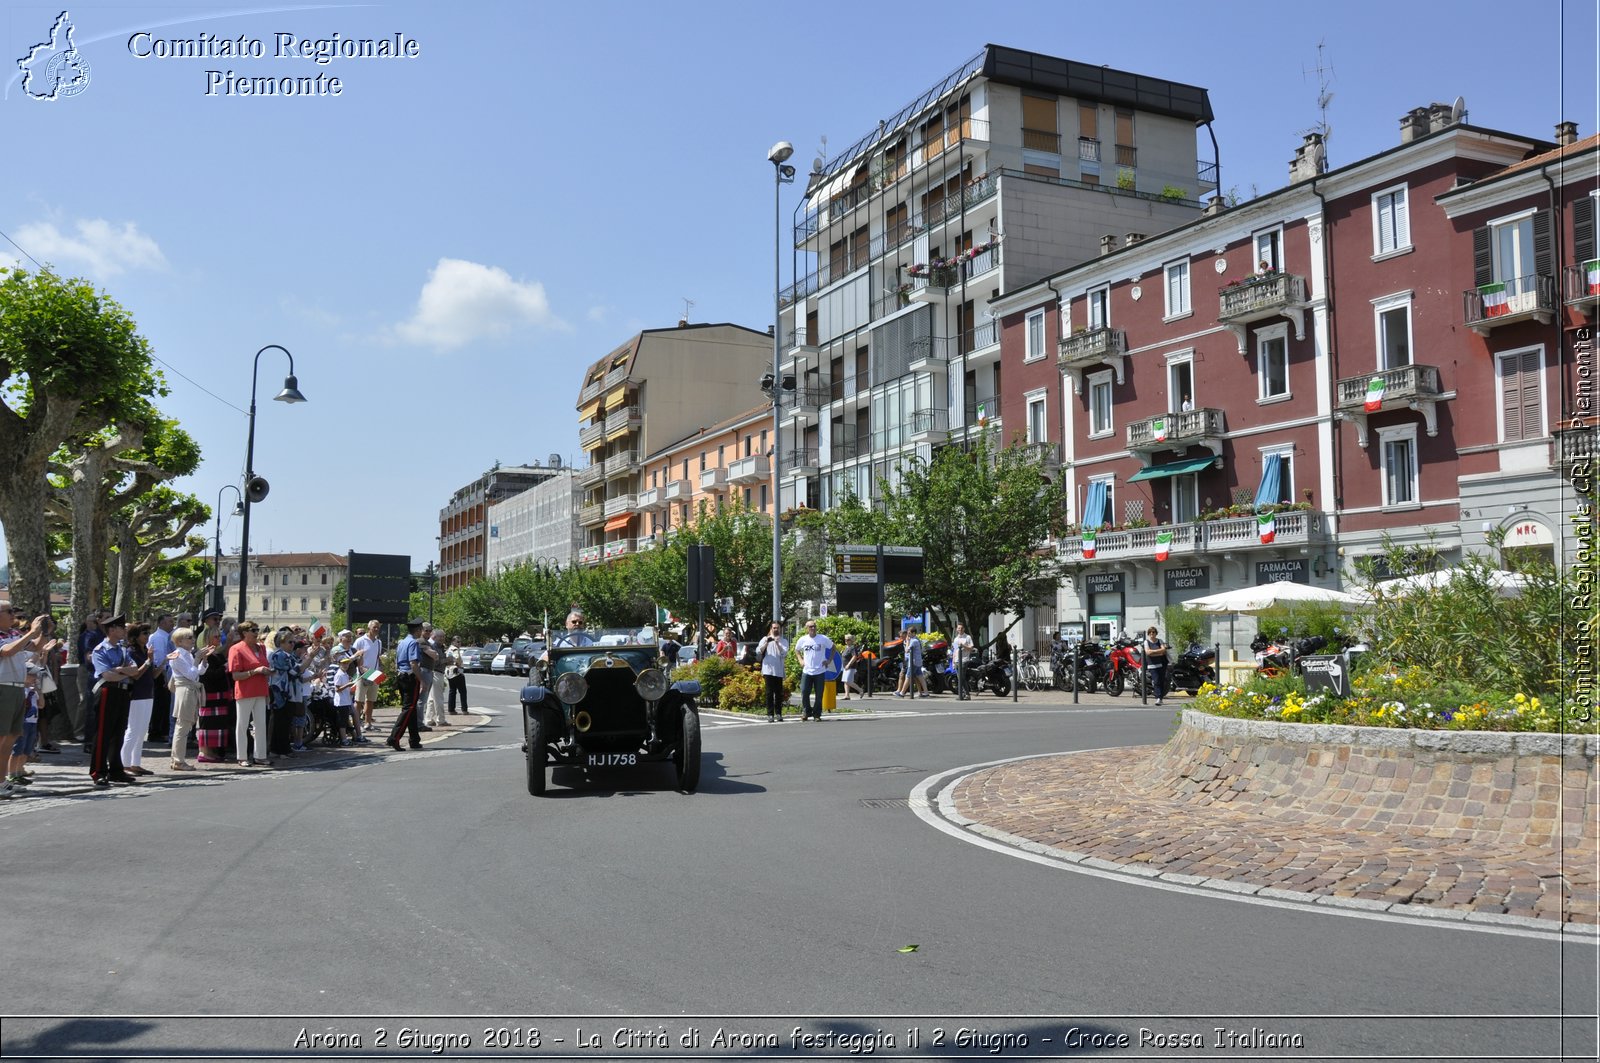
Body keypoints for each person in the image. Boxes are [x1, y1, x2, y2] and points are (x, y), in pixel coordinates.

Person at [0, 605, 48, 795]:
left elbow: (34, 647)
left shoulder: (13, 633)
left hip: (18, 688)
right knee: (1, 738)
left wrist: (44, 631)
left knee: (10, 739)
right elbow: (7, 651)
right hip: (3, 688)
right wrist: (30, 633)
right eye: (9, 612)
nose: (13, 615)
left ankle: (2, 780)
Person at [88, 614, 140, 787]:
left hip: (123, 692)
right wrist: (122, 671)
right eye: (121, 628)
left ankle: (116, 770)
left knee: (118, 733)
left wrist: (119, 669)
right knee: (103, 733)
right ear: (111, 630)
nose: (125, 630)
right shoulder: (100, 650)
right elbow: (108, 675)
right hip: (106, 692)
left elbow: (135, 670)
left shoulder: (123, 649)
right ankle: (98, 771)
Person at [228, 621, 271, 767]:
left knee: (260, 724)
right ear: (244, 633)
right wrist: (255, 671)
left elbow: (265, 666)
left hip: (261, 690)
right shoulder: (236, 649)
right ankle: (242, 756)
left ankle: (260, 755)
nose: (256, 632)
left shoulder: (262, 648)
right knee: (242, 724)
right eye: (253, 630)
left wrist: (267, 672)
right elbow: (235, 675)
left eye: (257, 629)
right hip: (245, 691)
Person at [120, 623, 157, 775]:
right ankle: (124, 763)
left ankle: (135, 763)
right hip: (136, 695)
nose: (147, 636)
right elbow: (135, 674)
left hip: (148, 693)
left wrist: (162, 662)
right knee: (133, 729)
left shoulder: (144, 651)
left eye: (148, 633)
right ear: (135, 637)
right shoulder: (131, 652)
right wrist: (148, 660)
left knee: (142, 731)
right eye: (144, 633)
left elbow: (152, 674)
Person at [166, 626, 202, 771]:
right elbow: (191, 674)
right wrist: (198, 659)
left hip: (190, 688)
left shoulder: (187, 654)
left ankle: (177, 759)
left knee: (185, 726)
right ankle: (178, 760)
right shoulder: (177, 655)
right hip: (185, 690)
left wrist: (203, 660)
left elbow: (199, 672)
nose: (193, 640)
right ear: (179, 641)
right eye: (189, 638)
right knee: (182, 726)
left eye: (192, 637)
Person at [195, 629, 234, 763]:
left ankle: (212, 752)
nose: (218, 639)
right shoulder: (204, 654)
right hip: (209, 694)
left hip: (220, 695)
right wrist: (224, 668)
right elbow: (207, 675)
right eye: (215, 637)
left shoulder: (218, 655)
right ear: (208, 639)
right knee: (208, 724)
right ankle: (204, 752)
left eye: (219, 636)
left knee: (218, 725)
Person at [387, 619, 425, 752]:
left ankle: (414, 740)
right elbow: (413, 663)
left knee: (411, 709)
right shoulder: (413, 642)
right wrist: (421, 680)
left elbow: (397, 660)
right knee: (408, 709)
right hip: (410, 677)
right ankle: (394, 737)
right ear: (418, 630)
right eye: (421, 629)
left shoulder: (402, 642)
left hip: (401, 676)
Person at [794, 620, 833, 722]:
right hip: (807, 671)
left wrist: (829, 660)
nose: (813, 628)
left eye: (814, 626)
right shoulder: (803, 639)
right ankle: (806, 712)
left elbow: (833, 647)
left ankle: (817, 714)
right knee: (804, 692)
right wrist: (800, 660)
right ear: (807, 628)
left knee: (819, 694)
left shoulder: (823, 638)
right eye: (810, 626)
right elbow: (797, 650)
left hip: (819, 671)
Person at [146, 613, 175, 743]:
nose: (172, 624)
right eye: (169, 622)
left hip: (164, 673)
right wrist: (163, 675)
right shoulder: (158, 637)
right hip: (160, 674)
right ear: (161, 623)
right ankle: (156, 731)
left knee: (164, 703)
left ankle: (161, 730)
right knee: (160, 703)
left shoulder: (166, 636)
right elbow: (160, 658)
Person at [352, 620, 384, 732]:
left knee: (371, 700)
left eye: (378, 627)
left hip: (374, 674)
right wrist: (360, 668)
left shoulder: (379, 642)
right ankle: (355, 724)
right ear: (369, 628)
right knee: (358, 701)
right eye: (374, 627)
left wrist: (381, 669)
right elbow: (354, 656)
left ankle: (368, 723)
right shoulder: (360, 641)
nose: (376, 629)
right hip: (362, 674)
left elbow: (377, 657)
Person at [756, 622, 788, 722]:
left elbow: (784, 653)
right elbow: (758, 651)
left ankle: (778, 713)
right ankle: (770, 714)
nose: (776, 630)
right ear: (771, 629)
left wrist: (777, 643)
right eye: (774, 628)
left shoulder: (783, 641)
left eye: (777, 628)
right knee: (769, 693)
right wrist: (767, 642)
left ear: (780, 629)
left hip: (778, 670)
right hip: (768, 669)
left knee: (778, 693)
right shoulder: (765, 639)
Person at [420, 625, 447, 729]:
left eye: (443, 637)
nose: (442, 639)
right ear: (435, 636)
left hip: (437, 672)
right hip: (436, 672)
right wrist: (446, 660)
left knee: (431, 699)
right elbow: (435, 661)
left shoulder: (440, 646)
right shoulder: (433, 646)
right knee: (438, 698)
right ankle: (441, 720)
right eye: (441, 637)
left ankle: (429, 719)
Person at [1142, 625, 1169, 705]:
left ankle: (1160, 697)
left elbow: (1163, 651)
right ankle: (1158, 698)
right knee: (1156, 681)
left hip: (1161, 664)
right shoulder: (1146, 642)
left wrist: (1153, 652)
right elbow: (1148, 652)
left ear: (1156, 633)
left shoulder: (1159, 641)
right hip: (1152, 665)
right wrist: (1158, 652)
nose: (1152, 634)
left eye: (1153, 632)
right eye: (1150, 632)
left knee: (1161, 681)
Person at [951, 624, 975, 700]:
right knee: (960, 678)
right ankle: (964, 694)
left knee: (961, 677)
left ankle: (964, 694)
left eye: (961, 628)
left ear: (964, 629)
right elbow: (955, 651)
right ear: (957, 629)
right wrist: (953, 661)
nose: (960, 629)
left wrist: (963, 646)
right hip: (957, 660)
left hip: (964, 660)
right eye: (958, 628)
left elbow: (971, 648)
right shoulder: (955, 639)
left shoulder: (967, 637)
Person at [445, 636, 468, 715]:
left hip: (449, 672)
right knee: (462, 691)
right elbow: (457, 658)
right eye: (458, 642)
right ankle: (464, 709)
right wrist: (458, 665)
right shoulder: (455, 649)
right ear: (453, 642)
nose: (459, 643)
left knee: (452, 691)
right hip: (456, 671)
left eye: (460, 642)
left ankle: (451, 709)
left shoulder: (448, 649)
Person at [839, 634, 865, 699]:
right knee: (845, 681)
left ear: (851, 640)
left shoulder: (852, 647)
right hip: (845, 667)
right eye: (845, 639)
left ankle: (860, 690)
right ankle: (847, 695)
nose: (846, 641)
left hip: (850, 667)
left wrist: (849, 664)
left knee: (848, 681)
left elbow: (854, 656)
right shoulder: (846, 647)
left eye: (848, 640)